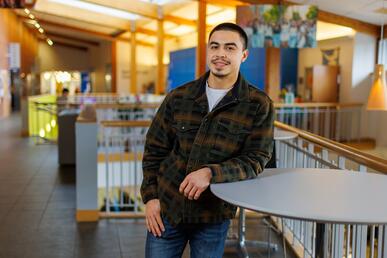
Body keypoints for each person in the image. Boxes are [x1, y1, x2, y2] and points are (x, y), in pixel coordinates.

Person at [141, 22, 274, 258]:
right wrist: (151, 198)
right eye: (215, 47)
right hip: (167, 209)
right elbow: (154, 150)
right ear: (207, 52)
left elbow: (257, 158)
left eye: (230, 48)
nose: (220, 54)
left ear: (243, 55)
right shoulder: (179, 97)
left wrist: (211, 173)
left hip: (212, 215)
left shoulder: (258, 104)